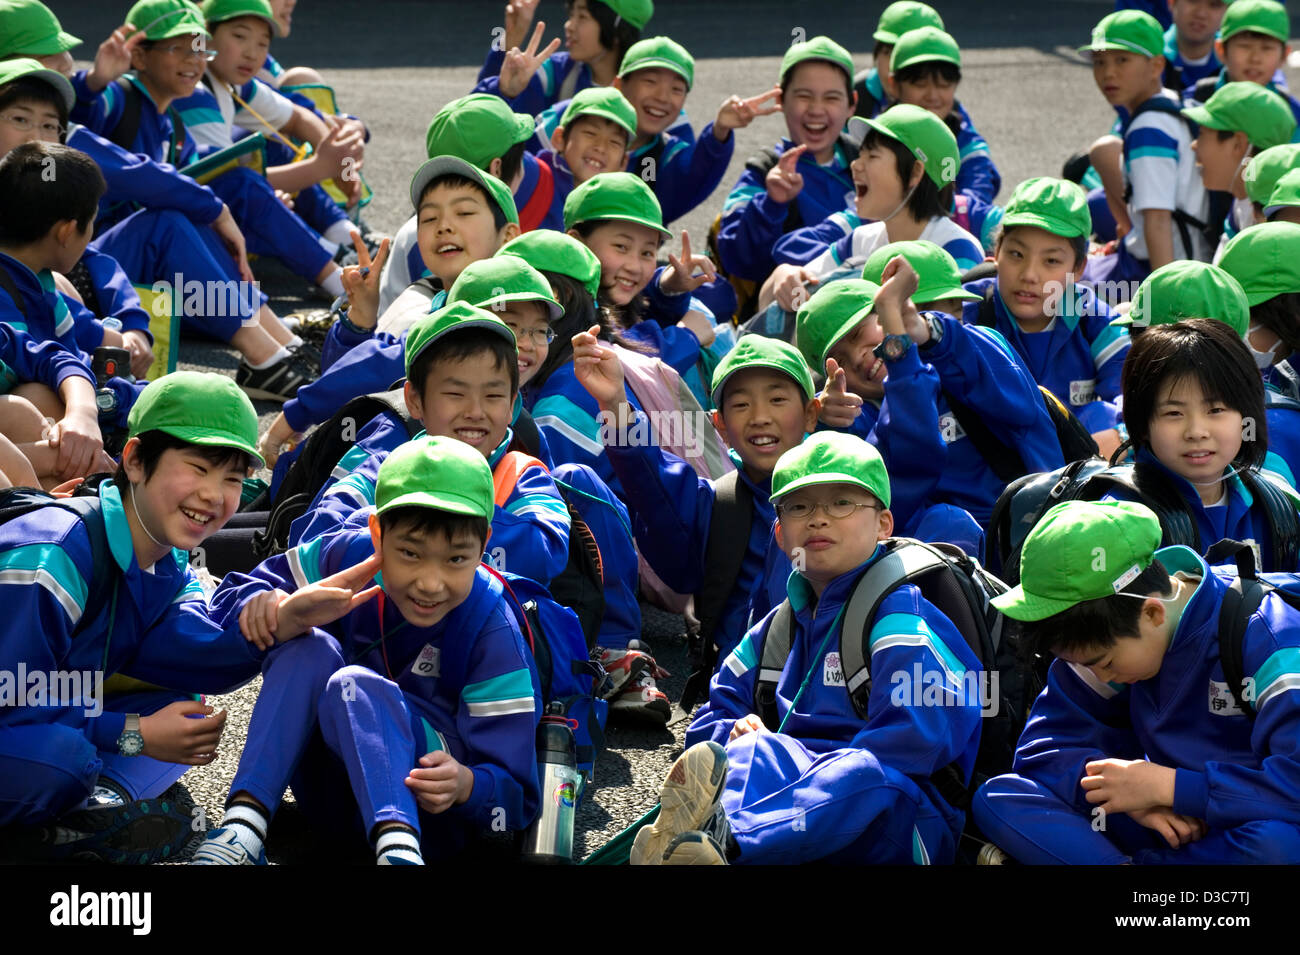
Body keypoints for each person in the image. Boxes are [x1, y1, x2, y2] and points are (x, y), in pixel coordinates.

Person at [629, 431, 983, 864]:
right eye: (799, 507)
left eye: (842, 503)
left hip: (903, 824)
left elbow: (918, 742)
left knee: (861, 774)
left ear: (884, 523)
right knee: (753, 748)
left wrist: (802, 763)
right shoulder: (777, 628)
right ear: (779, 533)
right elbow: (709, 722)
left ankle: (724, 841)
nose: (818, 518)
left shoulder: (901, 618)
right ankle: (703, 845)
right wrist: (736, 732)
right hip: (793, 822)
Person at [196, 435, 542, 864]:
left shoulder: (491, 625)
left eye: (455, 560)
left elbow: (518, 795)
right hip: (330, 801)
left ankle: (398, 852)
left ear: (483, 544)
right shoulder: (349, 556)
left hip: (430, 821)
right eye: (410, 553)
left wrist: (469, 784)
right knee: (309, 647)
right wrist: (262, 604)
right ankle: (242, 828)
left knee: (354, 684)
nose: (431, 583)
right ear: (377, 533)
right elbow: (240, 592)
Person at [0, 371, 265, 863]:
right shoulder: (54, 555)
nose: (215, 495)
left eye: (232, 478)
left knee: (185, 705)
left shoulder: (167, 555)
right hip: (13, 700)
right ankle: (65, 822)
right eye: (198, 468)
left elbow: (194, 653)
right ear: (136, 459)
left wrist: (281, 619)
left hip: (41, 697)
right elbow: (11, 695)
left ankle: (96, 810)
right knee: (62, 760)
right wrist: (132, 732)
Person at [972, 499, 1300, 864]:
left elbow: (1293, 787)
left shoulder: (1269, 638)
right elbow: (1043, 752)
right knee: (1000, 797)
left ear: (1153, 613)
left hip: (1247, 820)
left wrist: (1169, 787)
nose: (1098, 676)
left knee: (1277, 845)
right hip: (1166, 823)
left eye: (1104, 664)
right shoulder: (1102, 640)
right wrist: (1125, 796)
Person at [257, 156, 520, 472]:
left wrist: (296, 414)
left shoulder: (508, 301)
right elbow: (349, 384)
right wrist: (359, 320)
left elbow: (385, 362)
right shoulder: (427, 297)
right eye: (429, 218)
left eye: (464, 213)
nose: (445, 226)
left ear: (508, 236)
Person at [1110, 269, 1299, 571]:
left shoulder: (1278, 503)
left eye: (1215, 410)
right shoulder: (1118, 516)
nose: (1196, 431)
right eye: (1174, 413)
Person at [961, 177, 1128, 457]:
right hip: (990, 466)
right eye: (1016, 254)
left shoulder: (1090, 318)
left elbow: (1130, 385)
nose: (1029, 275)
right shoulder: (969, 312)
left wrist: (1122, 433)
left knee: (1103, 415)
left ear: (1078, 268)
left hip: (1071, 467)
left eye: (1051, 261)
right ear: (996, 253)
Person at [761, 103, 982, 312]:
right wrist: (783, 276)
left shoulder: (957, 250)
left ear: (915, 172)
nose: (856, 165)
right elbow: (776, 301)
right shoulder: (859, 241)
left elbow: (953, 337)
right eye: (860, 154)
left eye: (872, 155)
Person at [0, 140, 119, 483]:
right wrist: (62, 458)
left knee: (35, 399)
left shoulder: (40, 284)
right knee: (29, 403)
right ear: (68, 231)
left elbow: (55, 357)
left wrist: (83, 414)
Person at [714, 36, 858, 287]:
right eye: (804, 96)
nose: (816, 109)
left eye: (831, 98)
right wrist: (771, 205)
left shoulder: (869, 162)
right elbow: (737, 260)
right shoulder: (763, 173)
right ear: (780, 100)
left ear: (852, 104)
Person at [1082, 9, 1210, 287]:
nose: (1108, 73)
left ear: (1156, 66)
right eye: (1099, 62)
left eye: (1122, 60)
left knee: (1056, 295)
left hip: (1161, 272)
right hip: (1188, 256)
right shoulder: (1171, 103)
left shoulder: (1147, 130)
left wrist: (1163, 304)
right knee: (1104, 151)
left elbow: (1158, 221)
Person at [879, 26, 1001, 205]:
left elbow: (978, 196)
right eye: (920, 84)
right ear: (894, 85)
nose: (933, 96)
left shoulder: (966, 144)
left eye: (943, 85)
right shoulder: (874, 138)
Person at [474, 0, 653, 118]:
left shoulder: (648, 88)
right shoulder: (555, 72)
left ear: (617, 30)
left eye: (582, 17)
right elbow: (479, 115)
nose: (569, 25)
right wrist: (507, 45)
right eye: (571, 15)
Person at [1181, 81, 1296, 256]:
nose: (1194, 145)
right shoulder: (1242, 205)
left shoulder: (1273, 219)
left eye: (1202, 134)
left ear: (1238, 144)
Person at [535, 85, 637, 231]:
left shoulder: (619, 212)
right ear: (559, 139)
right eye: (590, 133)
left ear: (623, 163)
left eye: (614, 142)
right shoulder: (533, 177)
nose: (601, 147)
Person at [852, 1, 945, 119]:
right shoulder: (855, 95)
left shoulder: (941, 103)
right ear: (876, 54)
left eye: (910, 58)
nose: (894, 67)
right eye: (889, 53)